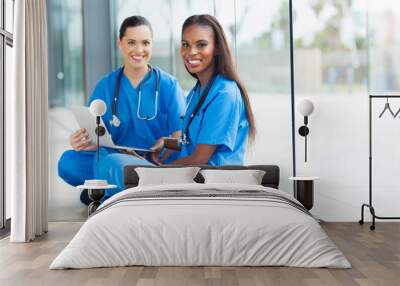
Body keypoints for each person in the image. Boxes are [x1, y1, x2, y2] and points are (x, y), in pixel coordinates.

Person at [58, 16, 185, 204]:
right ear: (120, 43)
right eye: (131, 42)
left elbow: (180, 138)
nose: (139, 50)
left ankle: (104, 193)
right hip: (115, 157)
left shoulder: (168, 85)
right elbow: (98, 138)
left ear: (152, 44)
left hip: (153, 163)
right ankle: (119, 190)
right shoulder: (106, 86)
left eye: (145, 43)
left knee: (109, 165)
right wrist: (83, 141)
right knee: (68, 162)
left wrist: (162, 144)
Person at [151, 14, 256, 166]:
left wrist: (160, 172)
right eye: (186, 44)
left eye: (201, 45)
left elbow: (200, 159)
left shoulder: (225, 94)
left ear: (217, 48)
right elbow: (192, 140)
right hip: (195, 179)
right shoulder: (197, 92)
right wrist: (166, 142)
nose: (191, 52)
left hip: (215, 184)